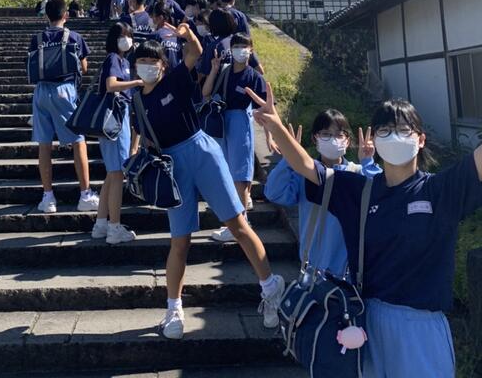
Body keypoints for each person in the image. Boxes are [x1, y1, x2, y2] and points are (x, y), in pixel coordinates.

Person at [247, 90, 482, 378]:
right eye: (385, 130)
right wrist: (275, 125)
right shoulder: (360, 191)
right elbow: (308, 167)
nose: (394, 137)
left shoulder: (441, 191)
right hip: (366, 321)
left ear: (421, 140)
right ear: (374, 140)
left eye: (403, 130)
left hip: (421, 330)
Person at [132, 26, 286, 340]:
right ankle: (174, 308)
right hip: (172, 165)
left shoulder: (174, 80)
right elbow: (146, 139)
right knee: (180, 241)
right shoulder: (136, 101)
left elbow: (196, 53)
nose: (147, 66)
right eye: (142, 61)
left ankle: (271, 288)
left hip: (201, 151)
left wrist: (188, 34)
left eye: (153, 61)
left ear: (163, 64)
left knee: (238, 224)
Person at [264, 109, 381, 277]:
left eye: (339, 135)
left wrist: (368, 162)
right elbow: (274, 193)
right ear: (315, 138)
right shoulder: (304, 173)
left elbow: (382, 194)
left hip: (351, 273)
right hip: (313, 272)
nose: (333, 139)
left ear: (348, 140)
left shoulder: (358, 172)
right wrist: (290, 158)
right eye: (326, 134)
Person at [28, 0, 99, 214]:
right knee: (78, 141)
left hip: (41, 91)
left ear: (47, 16)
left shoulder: (37, 38)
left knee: (44, 144)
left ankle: (48, 197)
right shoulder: (74, 37)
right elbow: (84, 67)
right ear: (66, 15)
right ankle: (85, 194)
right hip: (64, 90)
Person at [202, 33, 269, 242]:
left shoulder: (254, 77)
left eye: (245, 46)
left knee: (240, 175)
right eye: (237, 46)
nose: (241, 50)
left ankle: (240, 223)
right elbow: (206, 92)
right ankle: (235, 224)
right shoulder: (224, 71)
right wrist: (214, 69)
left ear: (251, 49)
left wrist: (270, 137)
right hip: (221, 124)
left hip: (241, 123)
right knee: (227, 175)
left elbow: (266, 109)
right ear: (231, 49)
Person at [92, 22, 144, 244]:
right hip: (114, 121)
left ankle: (101, 224)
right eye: (122, 36)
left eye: (129, 35)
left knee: (111, 174)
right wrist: (137, 82)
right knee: (117, 175)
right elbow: (111, 85)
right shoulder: (114, 59)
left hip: (115, 121)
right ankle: (114, 227)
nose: (127, 39)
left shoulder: (121, 60)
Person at [197, 9, 262, 77]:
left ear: (212, 24)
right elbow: (259, 70)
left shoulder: (213, 47)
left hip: (220, 83)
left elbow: (203, 74)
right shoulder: (242, 43)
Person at [150, 1, 184, 69]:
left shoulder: (155, 35)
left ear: (160, 18)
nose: (151, 18)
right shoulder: (177, 34)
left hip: (161, 72)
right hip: (176, 72)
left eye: (153, 16)